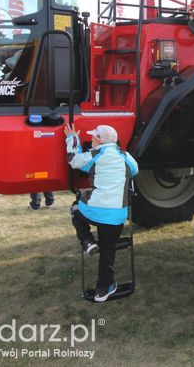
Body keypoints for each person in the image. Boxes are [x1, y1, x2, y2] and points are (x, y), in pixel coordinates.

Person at [65, 123, 138, 302]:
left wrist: (72, 138)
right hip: (116, 216)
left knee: (75, 209)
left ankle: (87, 240)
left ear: (100, 140)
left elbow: (74, 160)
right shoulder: (126, 157)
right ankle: (102, 290)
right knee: (108, 251)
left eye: (94, 137)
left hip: (93, 212)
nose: (91, 139)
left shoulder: (95, 155)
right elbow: (134, 170)